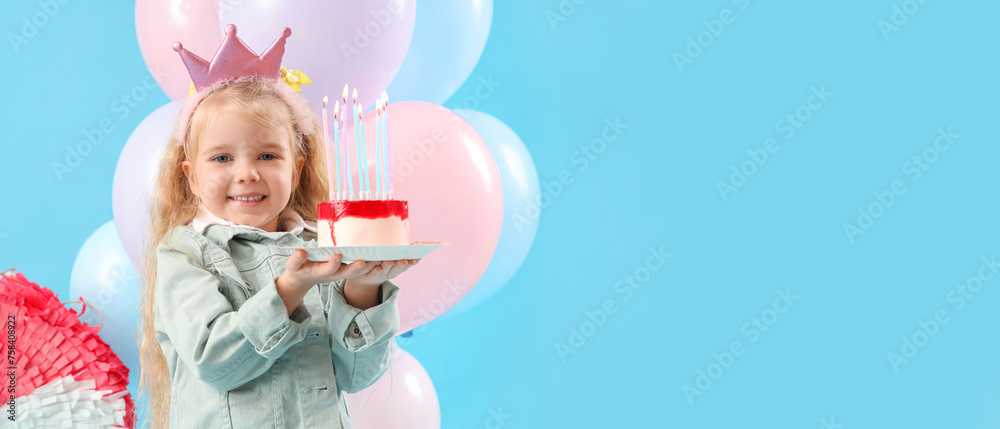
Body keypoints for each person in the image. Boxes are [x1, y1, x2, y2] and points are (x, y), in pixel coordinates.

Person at [138, 25, 417, 428]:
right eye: (221, 158)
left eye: (268, 155)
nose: (247, 173)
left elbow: (357, 375)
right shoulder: (185, 254)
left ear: (296, 168)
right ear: (191, 177)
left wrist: (362, 289)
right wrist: (289, 290)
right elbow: (216, 362)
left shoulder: (322, 248)